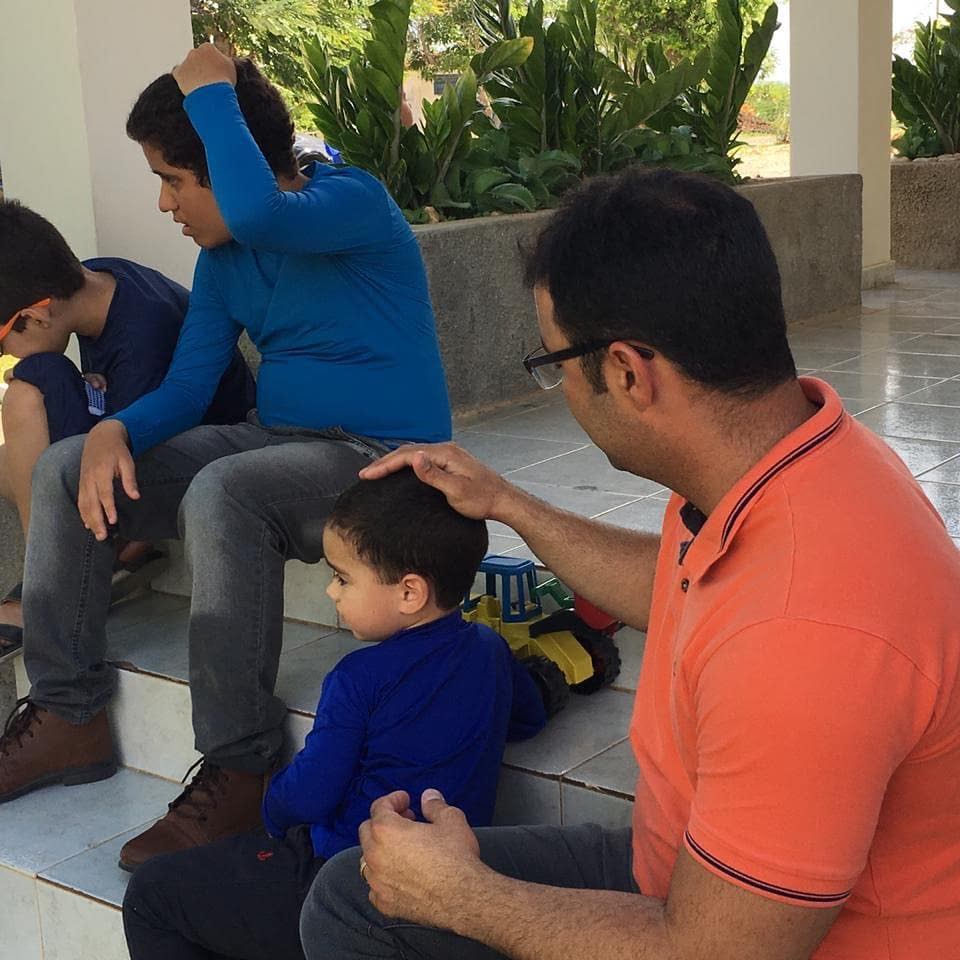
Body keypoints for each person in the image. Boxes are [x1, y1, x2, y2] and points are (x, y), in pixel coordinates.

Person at [301, 168, 960, 960]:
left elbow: (716, 953)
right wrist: (507, 502)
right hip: (677, 865)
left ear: (625, 372)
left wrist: (464, 897)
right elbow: (685, 590)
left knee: (370, 914)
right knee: (349, 898)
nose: (560, 389)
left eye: (556, 364)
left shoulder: (806, 634)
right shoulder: (794, 457)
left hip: (742, 935)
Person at [0, 44, 451, 875]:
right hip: (276, 441)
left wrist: (212, 88)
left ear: (229, 161)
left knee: (223, 488)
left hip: (384, 460)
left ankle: (242, 763)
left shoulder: (352, 203)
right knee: (65, 466)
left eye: (174, 179)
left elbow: (261, 212)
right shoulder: (223, 261)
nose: (164, 203)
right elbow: (187, 385)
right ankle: (68, 716)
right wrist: (114, 430)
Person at [121, 468, 546, 960]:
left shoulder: (357, 677)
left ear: (410, 593)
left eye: (342, 577)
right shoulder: (489, 650)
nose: (331, 592)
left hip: (346, 880)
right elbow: (529, 717)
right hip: (449, 876)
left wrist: (271, 810)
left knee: (152, 894)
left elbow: (311, 793)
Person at [0, 200, 255, 660]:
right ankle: (66, 561)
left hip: (196, 456)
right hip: (142, 434)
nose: (8, 355)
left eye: (3, 342)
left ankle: (52, 584)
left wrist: (44, 374)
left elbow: (130, 448)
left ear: (37, 315)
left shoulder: (143, 334)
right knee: (22, 435)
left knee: (28, 393)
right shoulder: (101, 278)